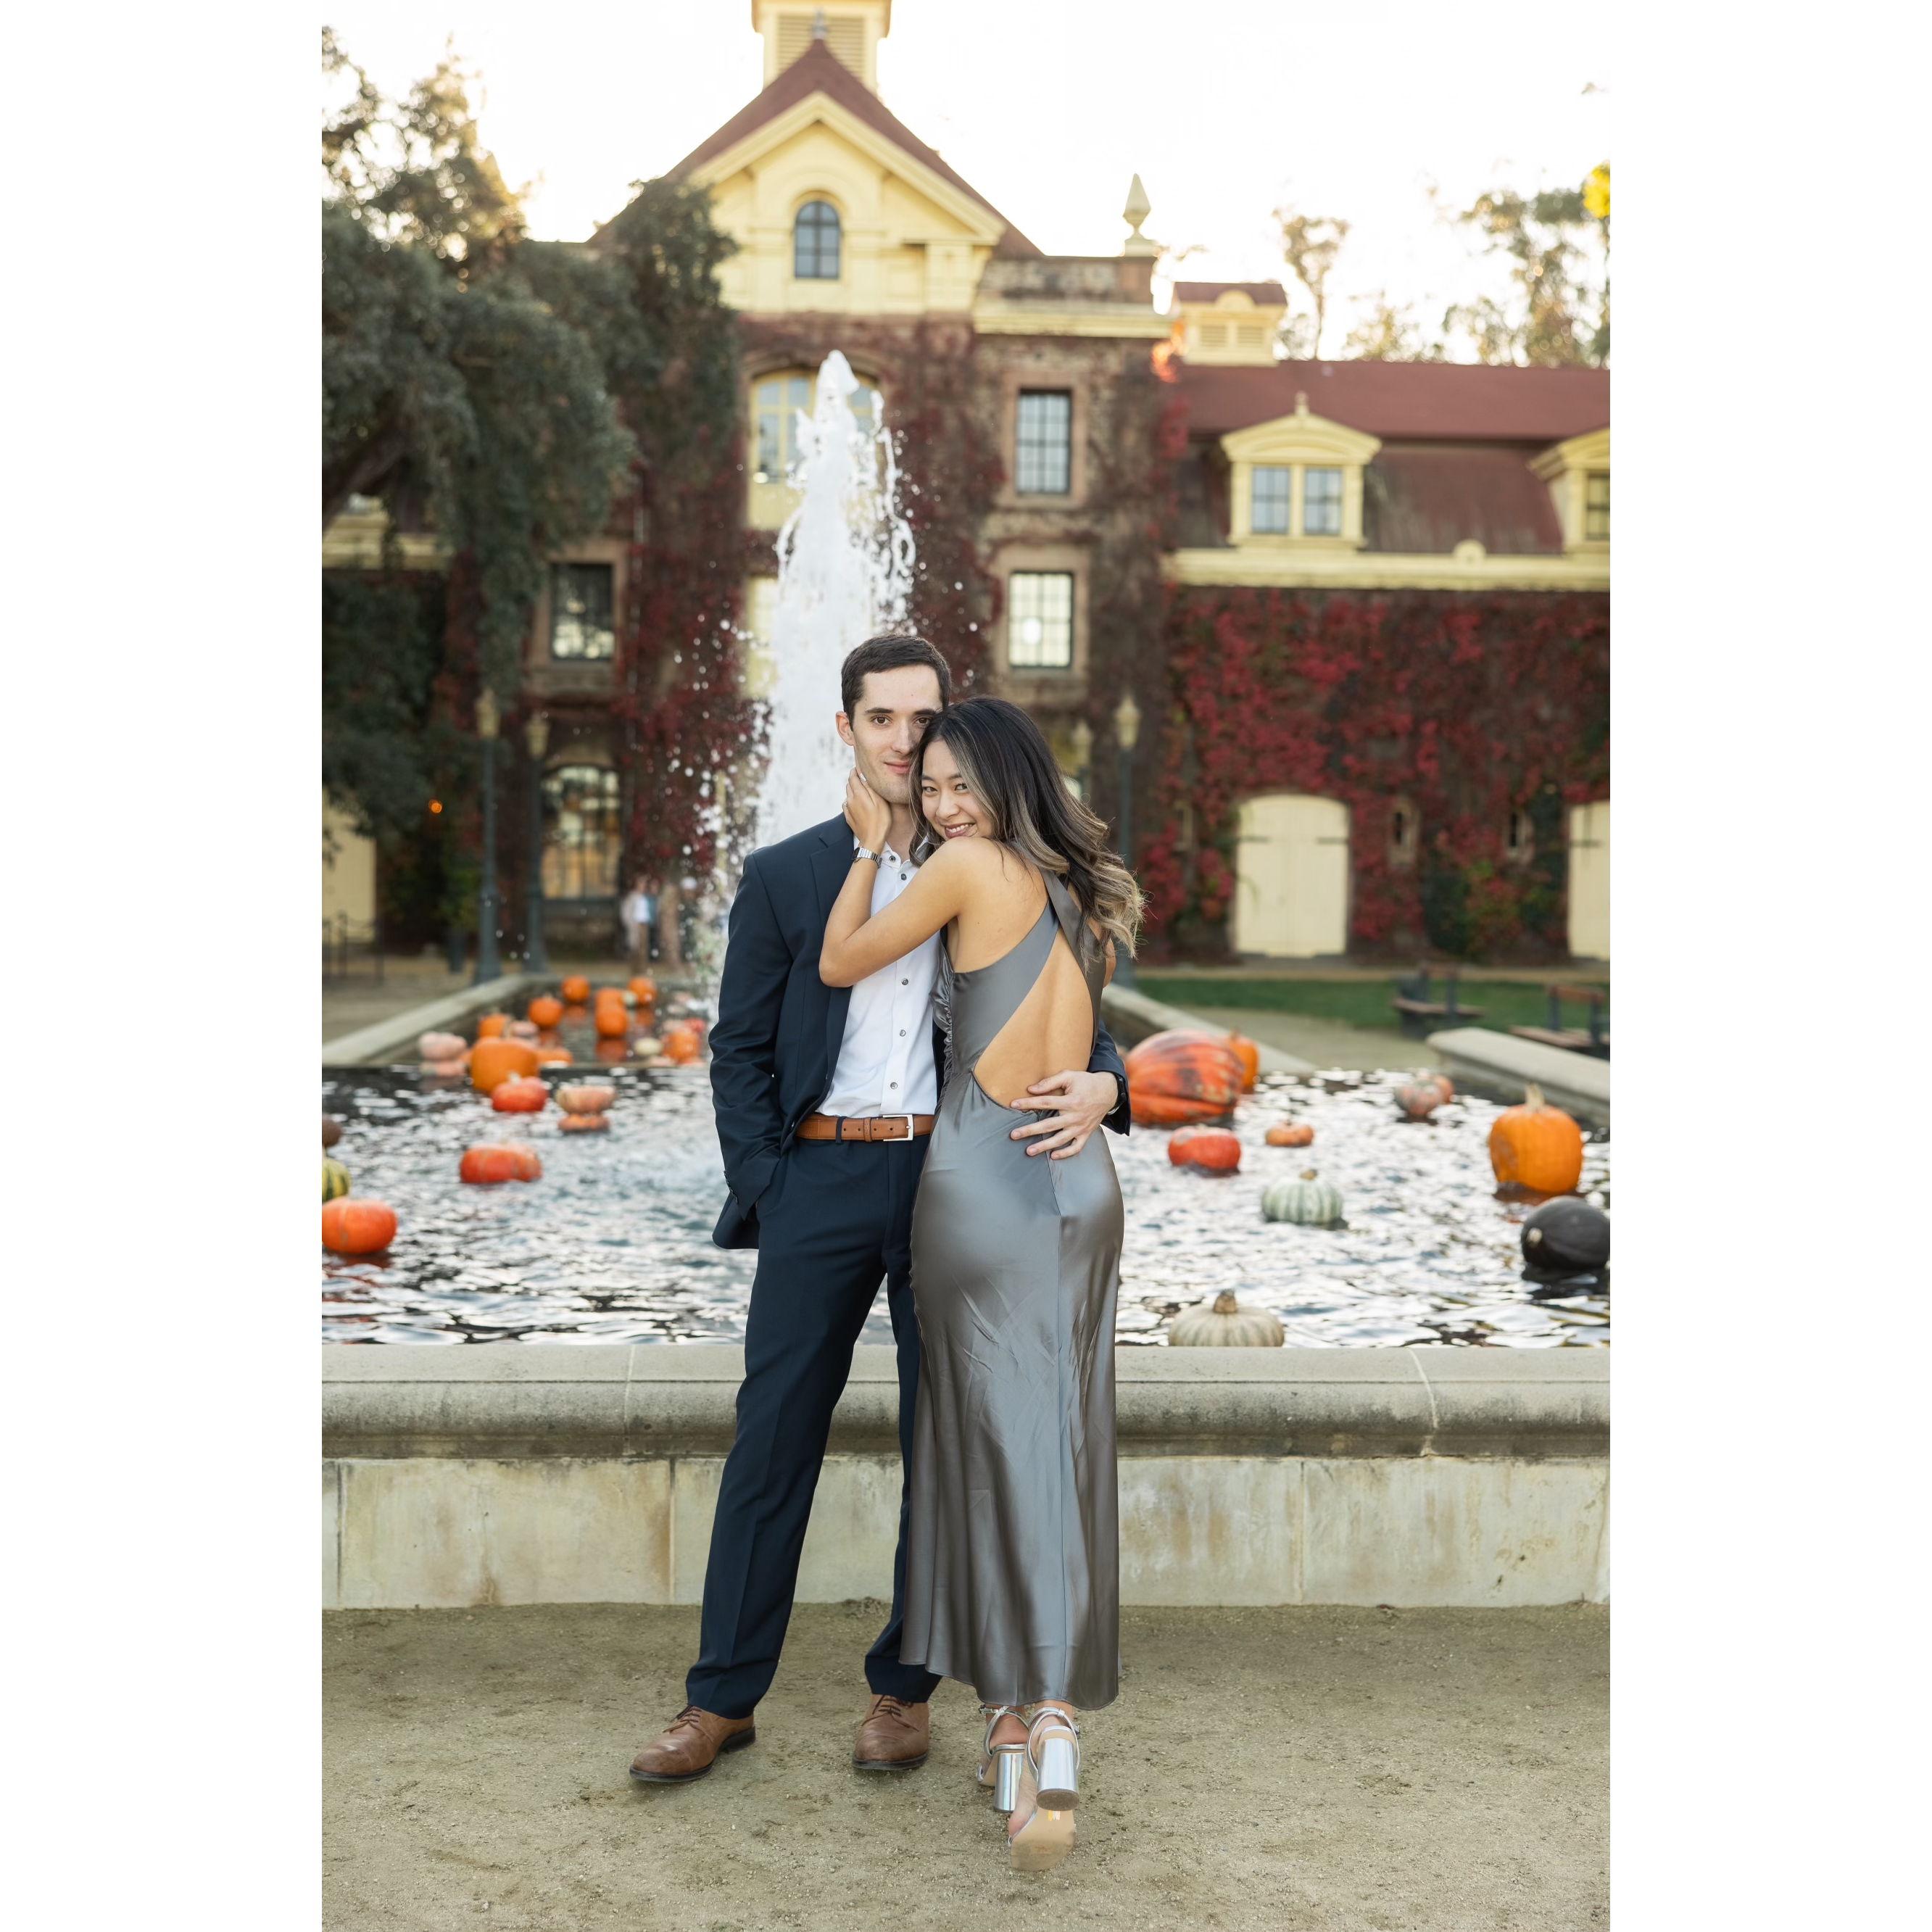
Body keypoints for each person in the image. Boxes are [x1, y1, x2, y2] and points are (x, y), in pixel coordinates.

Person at [627, 637, 1132, 1807]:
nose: (906, 742)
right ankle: (720, 1698)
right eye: (882, 720)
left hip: (959, 1181)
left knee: (941, 1439)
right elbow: (739, 1046)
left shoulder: (991, 858)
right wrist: (770, 1182)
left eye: (923, 720)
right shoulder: (788, 873)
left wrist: (1110, 1086)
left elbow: (1074, 1013)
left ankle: (903, 1690)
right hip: (819, 1177)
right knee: (773, 1436)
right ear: (846, 729)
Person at [818, 694, 1139, 1873]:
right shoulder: (1086, 889)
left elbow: (843, 960)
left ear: (1009, 782)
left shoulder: (961, 870)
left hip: (982, 1177)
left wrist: (871, 845)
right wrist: (1111, 1086)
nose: (944, 806)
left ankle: (1042, 1713)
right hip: (1082, 1181)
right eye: (932, 787)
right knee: (1054, 1435)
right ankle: (1010, 1723)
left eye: (962, 785)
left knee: (987, 1445)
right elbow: (1090, 1047)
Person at [620, 875, 658, 969]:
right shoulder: (632, 897)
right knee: (634, 946)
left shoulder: (647, 897)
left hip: (645, 924)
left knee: (644, 948)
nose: (643, 886)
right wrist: (629, 923)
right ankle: (634, 968)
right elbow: (626, 911)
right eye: (641, 883)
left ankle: (643, 968)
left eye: (644, 884)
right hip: (635, 924)